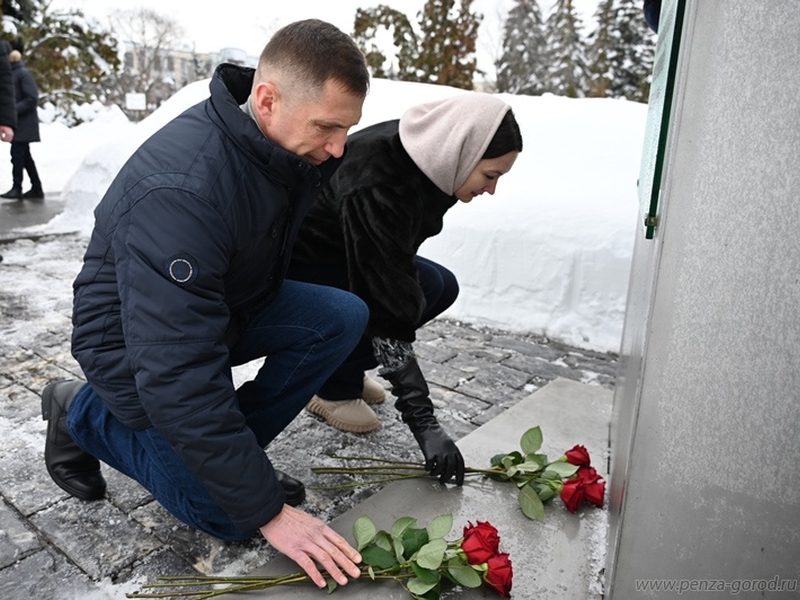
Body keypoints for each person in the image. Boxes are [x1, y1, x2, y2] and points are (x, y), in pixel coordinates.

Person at [40, 19, 372, 589]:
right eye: (328, 127)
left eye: (347, 128)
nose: (340, 147)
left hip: (215, 314)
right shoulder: (184, 189)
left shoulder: (277, 148)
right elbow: (177, 373)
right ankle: (78, 411)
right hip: (131, 345)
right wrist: (264, 509)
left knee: (339, 318)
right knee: (228, 515)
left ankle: (227, 464)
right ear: (266, 100)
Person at [288, 93, 523, 486]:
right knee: (389, 302)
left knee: (437, 285)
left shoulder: (432, 157)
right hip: (301, 272)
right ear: (464, 152)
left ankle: (344, 363)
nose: (492, 190)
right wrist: (425, 424)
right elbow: (387, 306)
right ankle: (328, 385)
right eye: (491, 175)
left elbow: (392, 260)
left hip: (345, 255)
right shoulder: (382, 181)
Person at [0, 45, 42, 199]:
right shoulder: (13, 74)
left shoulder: (22, 74)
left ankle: (17, 187)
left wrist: (12, 109)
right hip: (19, 123)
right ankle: (36, 187)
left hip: (24, 123)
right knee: (25, 157)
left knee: (17, 155)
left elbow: (31, 98)